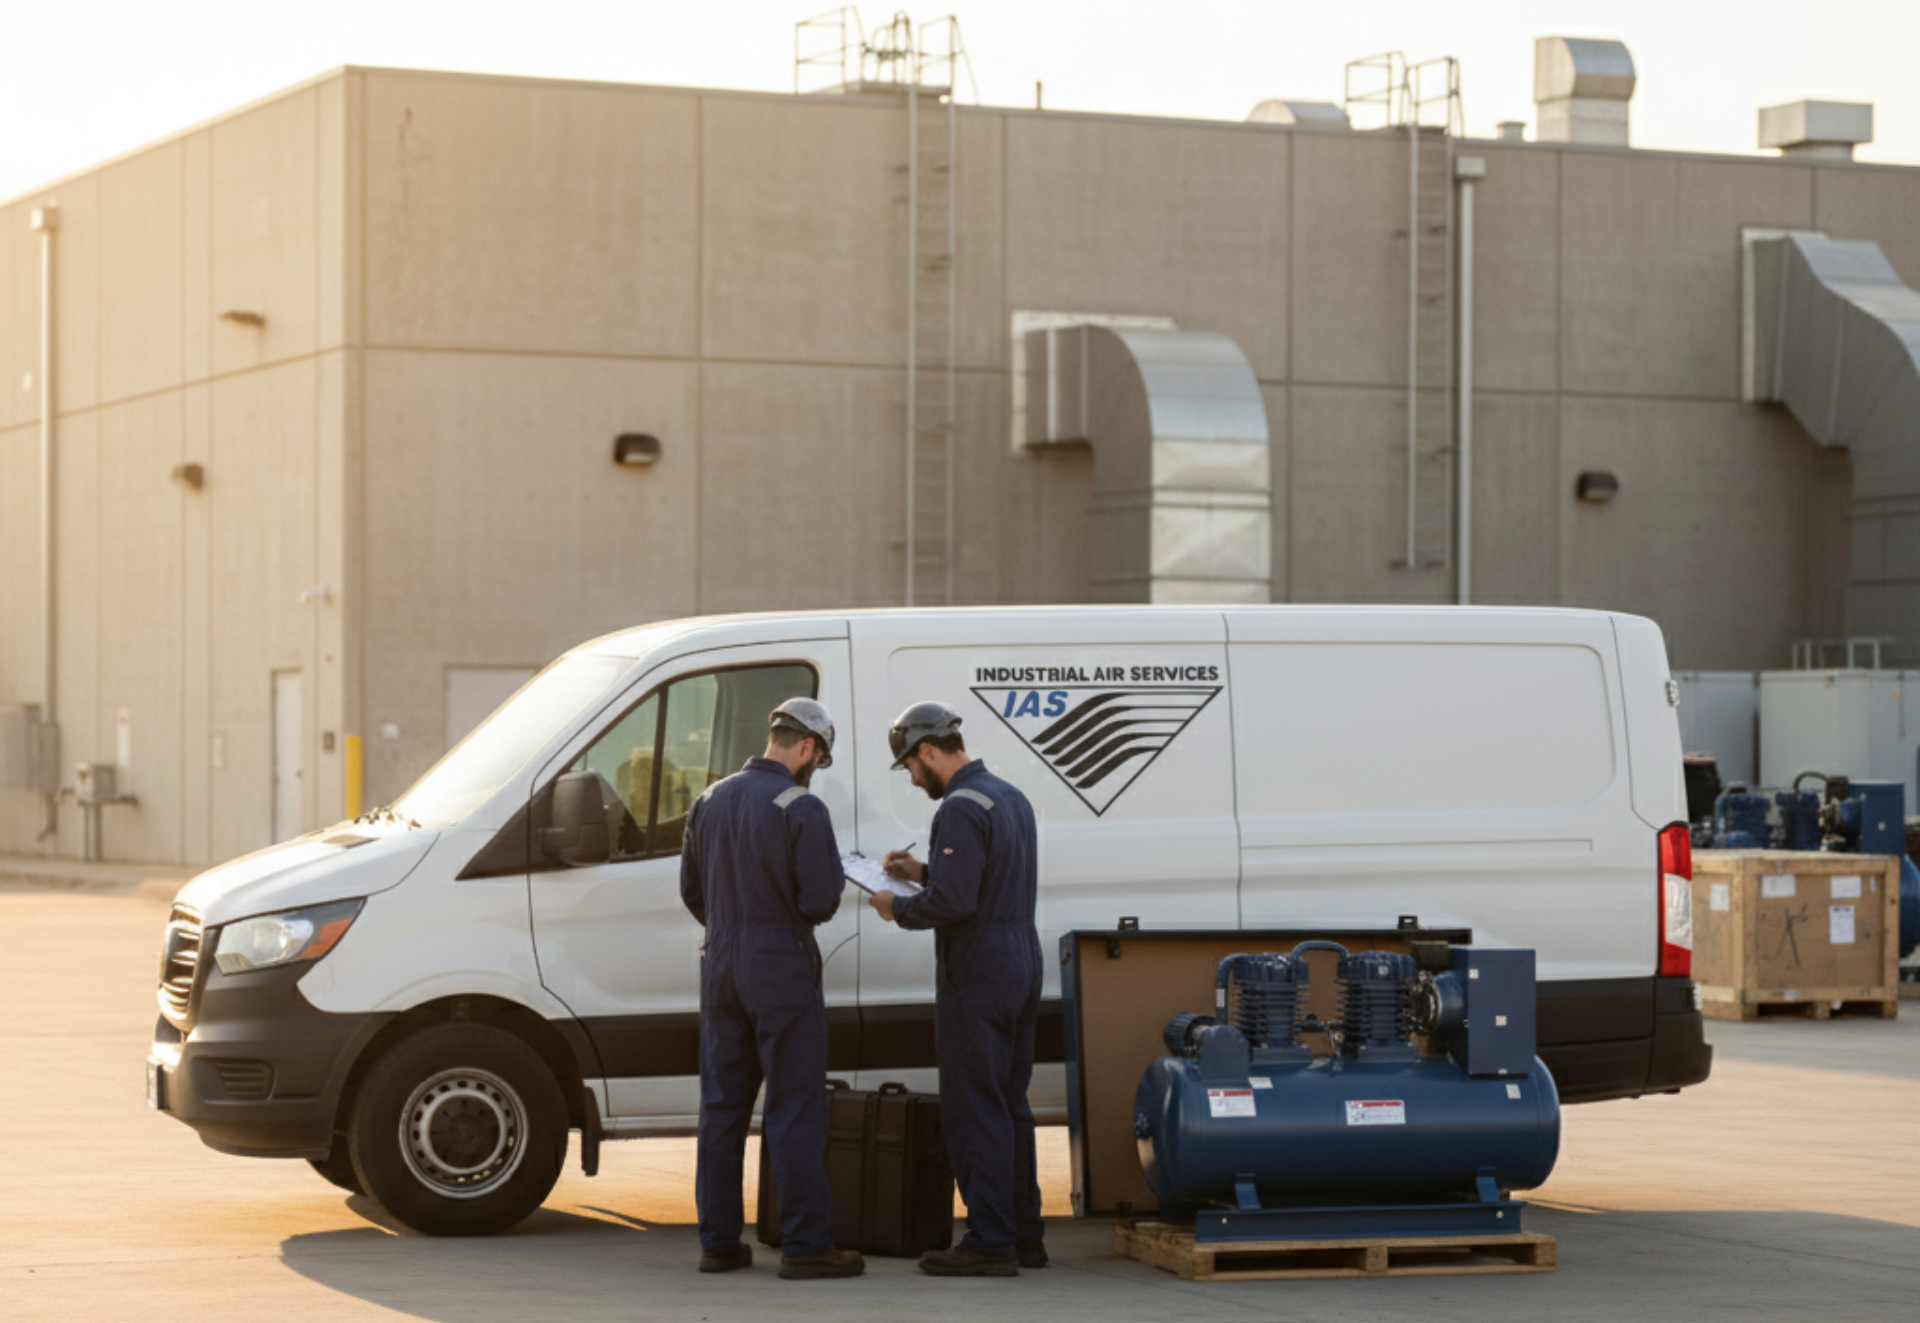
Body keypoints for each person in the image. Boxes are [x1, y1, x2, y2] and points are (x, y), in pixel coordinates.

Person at [680, 697, 864, 1281]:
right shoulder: (800, 806)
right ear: (808, 747)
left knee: (721, 1108)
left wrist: (732, 923)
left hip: (721, 961)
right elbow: (820, 900)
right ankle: (807, 1247)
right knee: (793, 1106)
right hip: (780, 965)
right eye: (819, 756)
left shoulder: (708, 799)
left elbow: (691, 890)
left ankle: (719, 1244)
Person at [867, 701, 1047, 1277]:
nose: (913, 779)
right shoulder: (1009, 797)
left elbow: (955, 903)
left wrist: (898, 906)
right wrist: (920, 873)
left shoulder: (959, 809)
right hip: (1021, 958)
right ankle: (1023, 1236)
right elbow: (980, 878)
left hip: (980, 970)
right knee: (1010, 1104)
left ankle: (990, 1241)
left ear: (928, 752)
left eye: (911, 767)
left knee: (974, 1106)